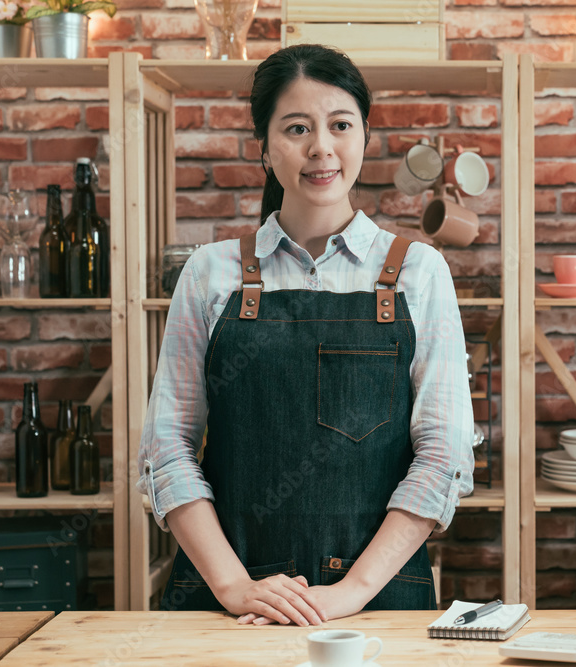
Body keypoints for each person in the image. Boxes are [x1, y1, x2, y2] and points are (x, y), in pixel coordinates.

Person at [137, 44, 474, 625]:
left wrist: (350, 592)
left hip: (376, 607)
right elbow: (167, 451)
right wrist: (235, 585)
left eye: (340, 125)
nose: (321, 147)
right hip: (228, 610)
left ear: (364, 137)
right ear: (264, 149)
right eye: (297, 128)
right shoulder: (210, 273)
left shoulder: (420, 271)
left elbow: (443, 457)